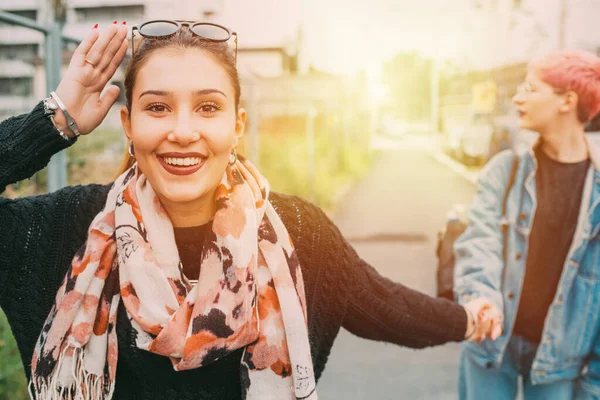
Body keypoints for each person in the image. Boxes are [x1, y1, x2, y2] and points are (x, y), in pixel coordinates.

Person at [1, 21, 494, 400]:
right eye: (157, 108)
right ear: (127, 124)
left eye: (208, 107)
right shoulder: (59, 232)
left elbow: (386, 306)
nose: (183, 130)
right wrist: (54, 120)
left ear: (238, 125)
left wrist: (470, 320)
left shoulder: (299, 234)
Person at [454, 49, 600, 400]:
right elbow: (480, 241)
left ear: (567, 101)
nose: (518, 97)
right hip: (490, 346)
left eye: (531, 89)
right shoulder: (504, 170)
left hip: (561, 360)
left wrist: (594, 382)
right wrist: (482, 302)